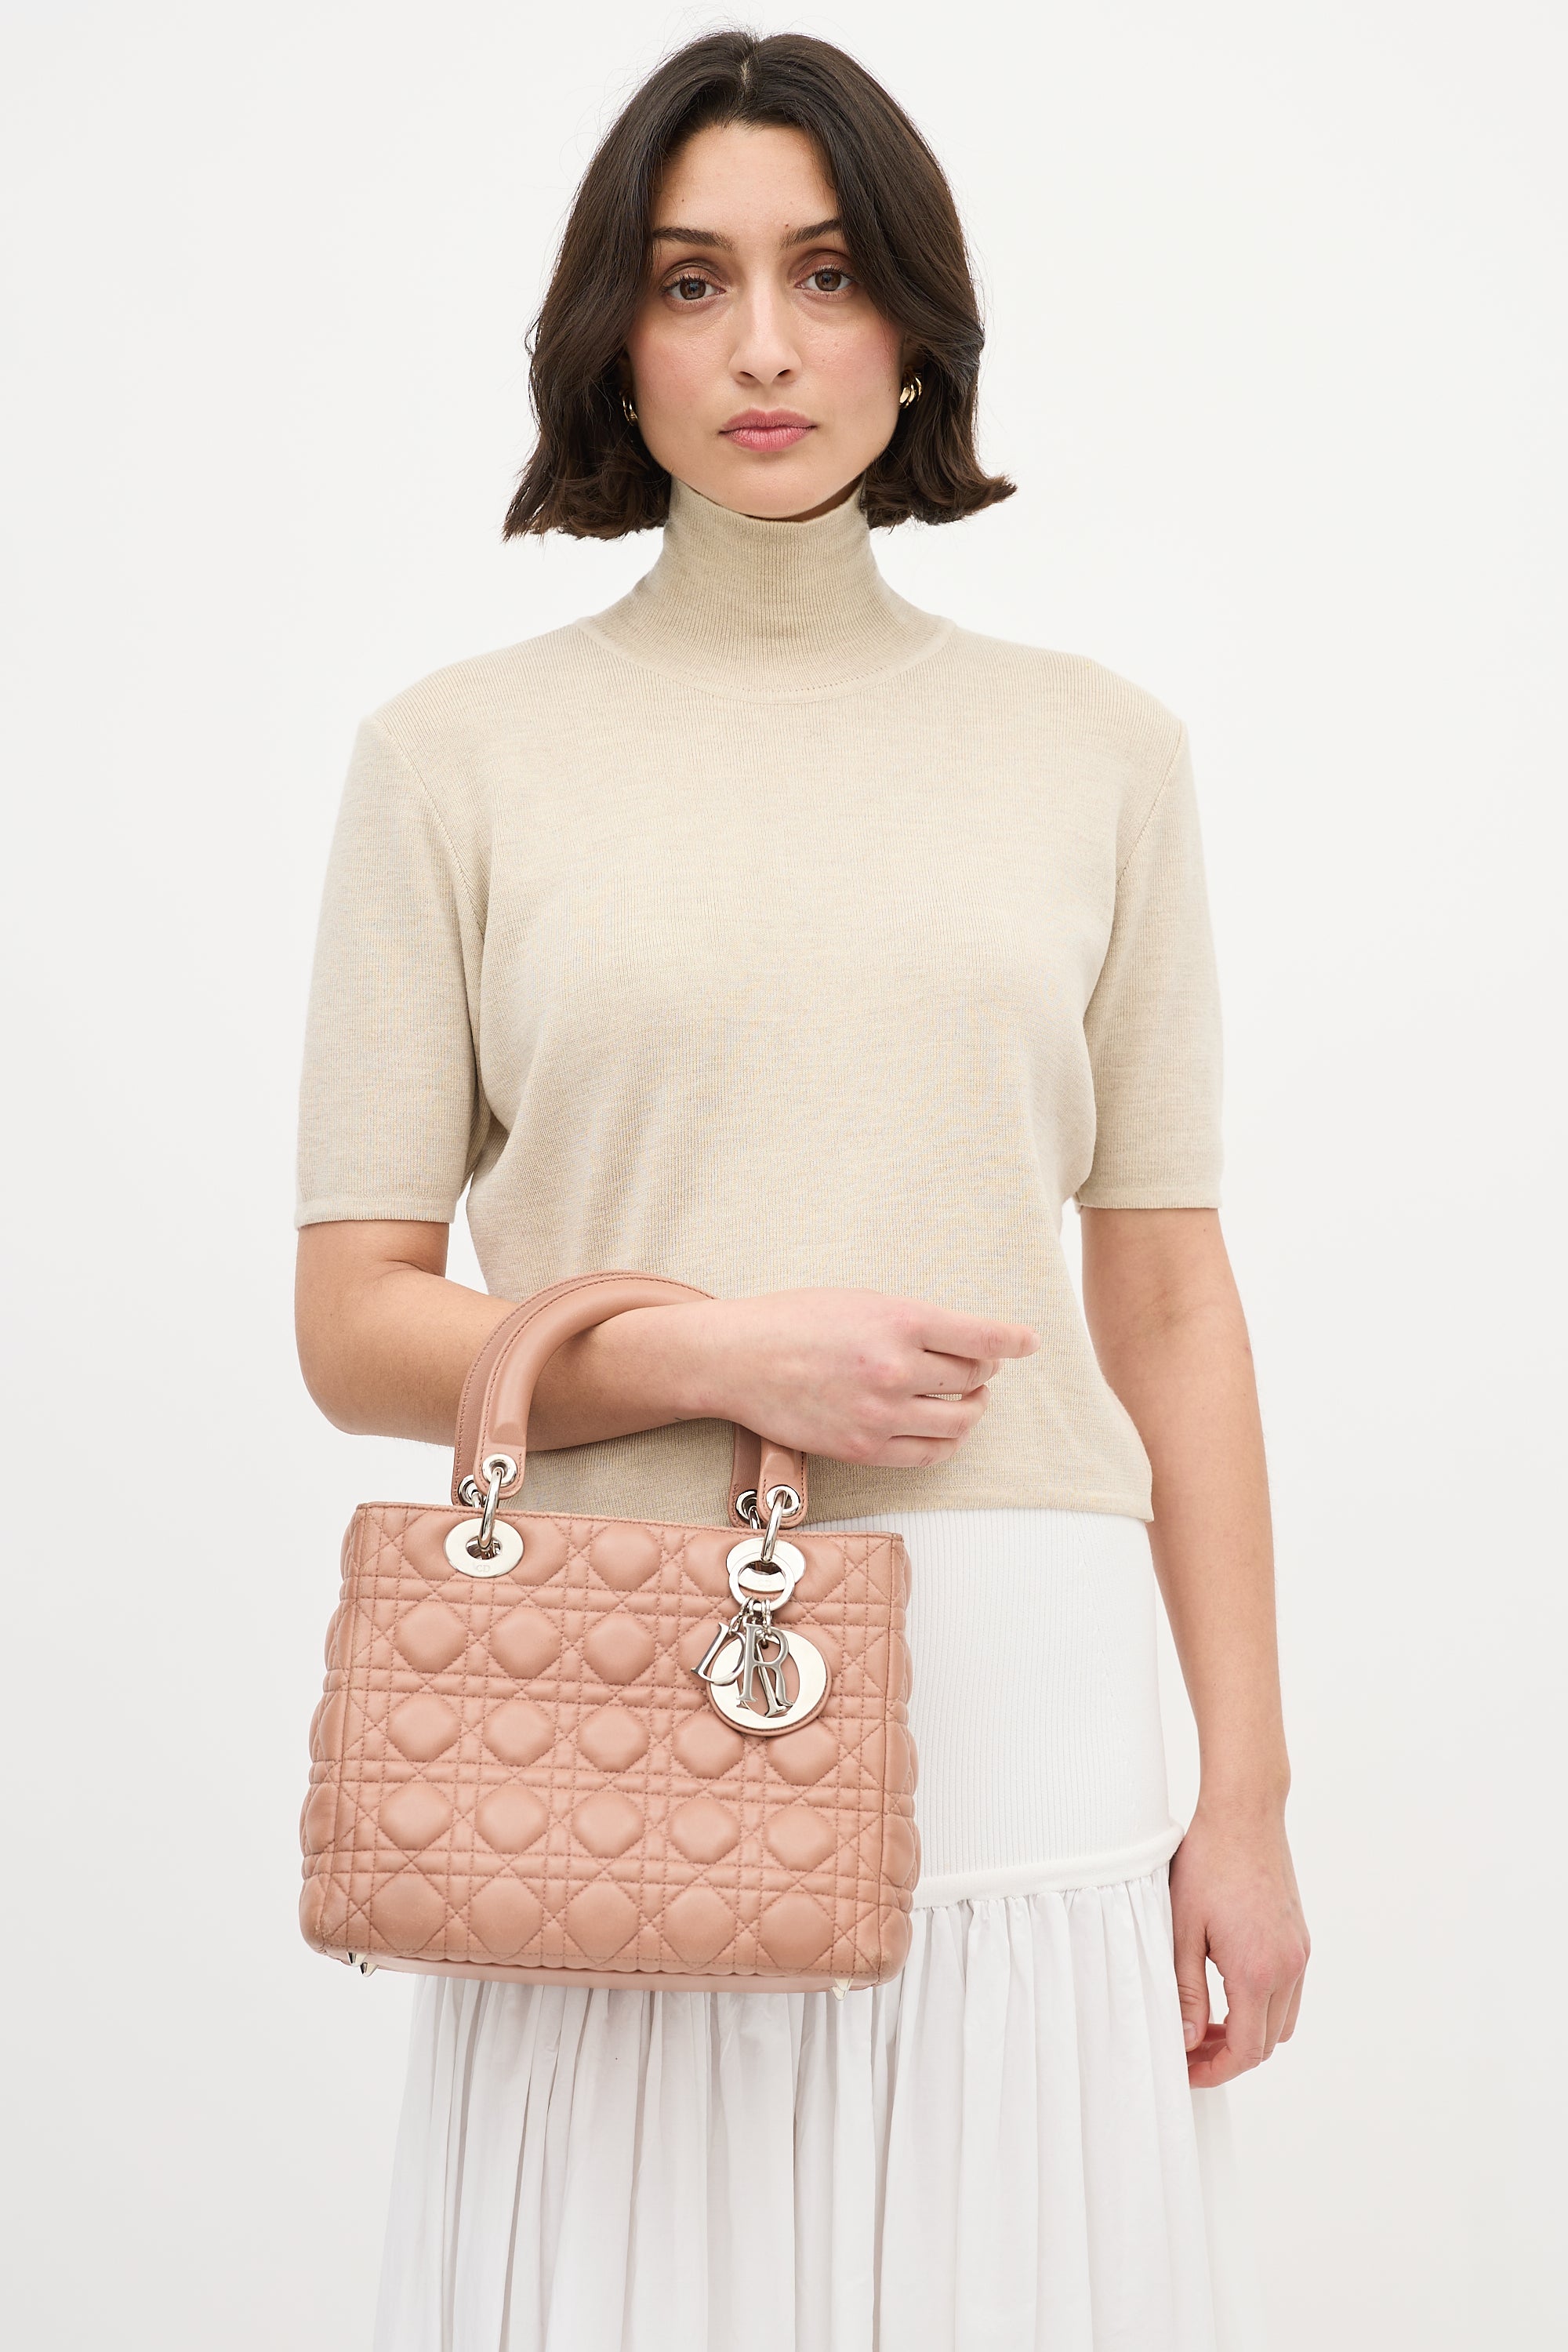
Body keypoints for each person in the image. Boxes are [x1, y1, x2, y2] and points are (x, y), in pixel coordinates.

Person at [293, 29, 1308, 2350]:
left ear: (916, 329)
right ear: (613, 343)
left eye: (827, 274)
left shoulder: (1101, 753)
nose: (764, 343)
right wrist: (713, 1354)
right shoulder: (450, 762)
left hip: (1027, 1700)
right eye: (693, 280)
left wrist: (1243, 1801)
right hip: (607, 1710)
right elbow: (351, 1321)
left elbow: (1170, 1299)